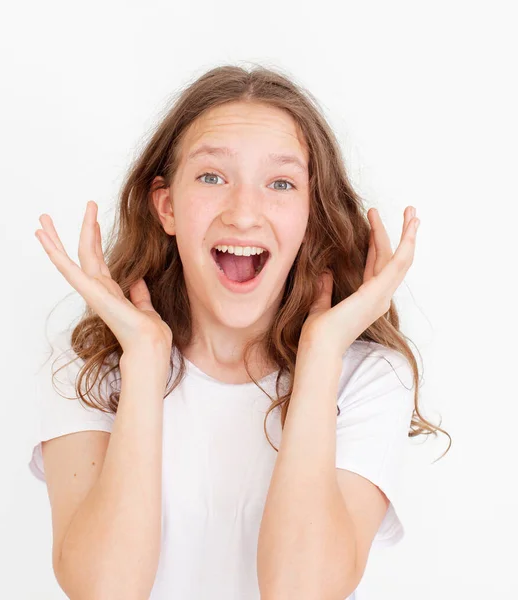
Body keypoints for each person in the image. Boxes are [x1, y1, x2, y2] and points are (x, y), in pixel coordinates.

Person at [28, 64, 450, 600]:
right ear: (167, 206)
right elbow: (104, 591)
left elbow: (302, 592)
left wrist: (320, 359)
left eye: (280, 183)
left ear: (310, 216)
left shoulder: (366, 376)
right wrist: (143, 363)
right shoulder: (89, 368)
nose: (245, 214)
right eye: (211, 177)